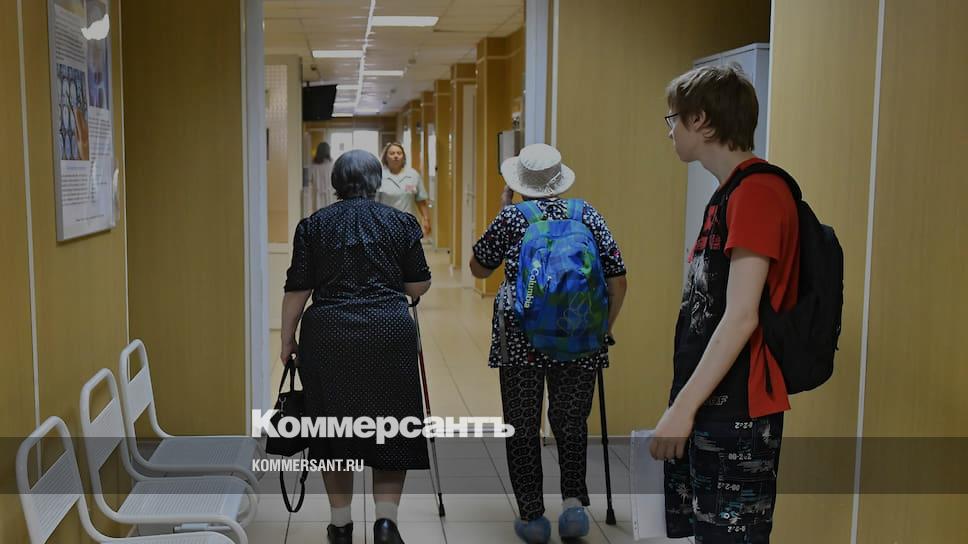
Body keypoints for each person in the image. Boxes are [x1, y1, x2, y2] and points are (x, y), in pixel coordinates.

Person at [652, 64, 799, 542]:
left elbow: (740, 317)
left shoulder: (758, 193)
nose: (670, 131)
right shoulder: (728, 193)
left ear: (701, 121)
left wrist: (682, 409)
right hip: (712, 403)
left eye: (673, 119)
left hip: (739, 410)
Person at [469, 143, 628, 544]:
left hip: (520, 338)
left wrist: (504, 209)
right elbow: (618, 279)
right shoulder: (586, 214)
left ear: (519, 183)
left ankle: (533, 517)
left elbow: (478, 267)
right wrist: (603, 329)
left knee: (523, 424)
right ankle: (573, 508)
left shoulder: (512, 218)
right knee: (571, 420)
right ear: (560, 181)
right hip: (581, 335)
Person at [281, 150, 432, 544]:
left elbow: (298, 289)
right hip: (389, 332)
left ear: (336, 182)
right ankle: (386, 523)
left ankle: (341, 525)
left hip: (328, 335)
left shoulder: (313, 225)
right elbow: (418, 285)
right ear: (377, 181)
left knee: (335, 426)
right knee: (392, 426)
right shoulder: (401, 222)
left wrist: (287, 340)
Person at [377, 142, 431, 236]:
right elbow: (373, 203)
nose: (396, 156)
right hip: (385, 225)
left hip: (409, 224)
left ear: (403, 157)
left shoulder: (413, 175)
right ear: (386, 157)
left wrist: (426, 219)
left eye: (399, 153)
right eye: (392, 153)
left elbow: (421, 200)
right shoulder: (379, 176)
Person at [309, 141, 336, 210]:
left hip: (317, 194)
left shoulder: (313, 165)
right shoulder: (332, 165)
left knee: (318, 212)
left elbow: (310, 180)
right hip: (329, 194)